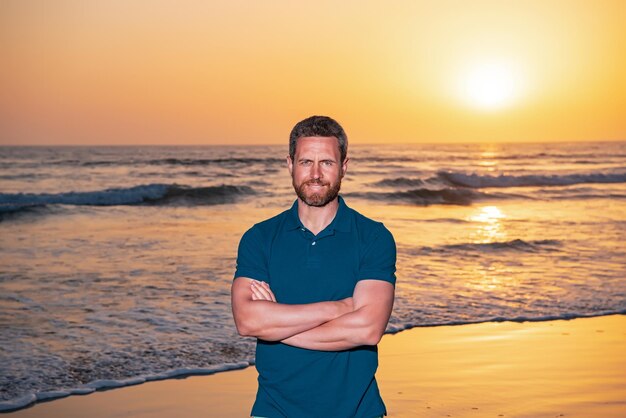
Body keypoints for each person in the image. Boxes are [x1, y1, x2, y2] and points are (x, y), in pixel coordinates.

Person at [231, 115, 396, 418]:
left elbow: (368, 329)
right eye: (306, 162)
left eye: (327, 163)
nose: (316, 174)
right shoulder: (259, 238)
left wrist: (276, 327)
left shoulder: (373, 237)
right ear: (290, 164)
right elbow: (247, 321)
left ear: (344, 166)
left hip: (357, 411)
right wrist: (336, 309)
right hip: (274, 410)